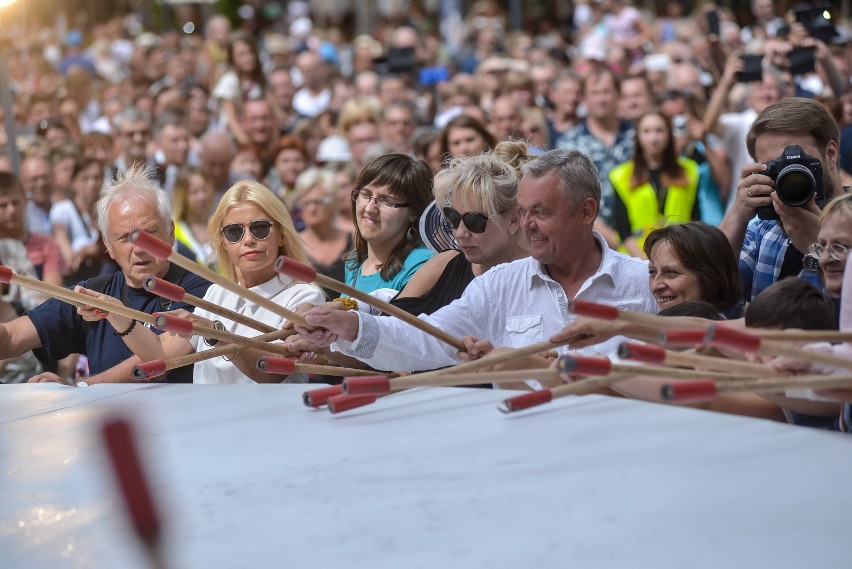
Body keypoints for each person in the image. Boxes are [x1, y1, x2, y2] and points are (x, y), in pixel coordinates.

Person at [288, 149, 656, 373]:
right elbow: (423, 338)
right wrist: (349, 326)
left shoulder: (645, 282)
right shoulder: (498, 286)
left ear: (586, 211)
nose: (527, 225)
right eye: (523, 211)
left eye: (540, 212)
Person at [78, 181, 324, 384]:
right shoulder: (216, 294)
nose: (248, 239)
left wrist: (215, 333)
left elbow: (268, 371)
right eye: (234, 232)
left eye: (260, 228)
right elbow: (160, 355)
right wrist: (116, 313)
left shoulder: (303, 296)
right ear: (224, 242)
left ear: (281, 234)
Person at [17, 166, 210, 384]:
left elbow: (156, 360)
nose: (139, 248)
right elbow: (12, 336)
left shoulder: (201, 291)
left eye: (150, 234)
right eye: (125, 238)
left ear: (171, 233)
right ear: (108, 245)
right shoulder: (95, 292)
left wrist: (78, 388)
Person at [718, 97, 846, 302]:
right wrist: (736, 216)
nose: (790, 177)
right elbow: (711, 293)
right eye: (776, 167)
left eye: (798, 164)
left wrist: (819, 247)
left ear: (830, 153)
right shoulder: (763, 231)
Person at [390, 140, 531, 316]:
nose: (460, 233)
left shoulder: (541, 277)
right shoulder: (442, 266)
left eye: (474, 221)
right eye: (454, 218)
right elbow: (385, 326)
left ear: (514, 220)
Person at [609, 111, 700, 257]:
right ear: (637, 136)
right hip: (637, 258)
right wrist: (647, 264)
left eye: (659, 130)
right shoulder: (621, 175)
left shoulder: (690, 170)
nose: (653, 137)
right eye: (646, 131)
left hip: (681, 254)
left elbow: (695, 218)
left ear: (669, 134)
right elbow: (623, 230)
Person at [345, 153, 434, 294]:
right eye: (366, 194)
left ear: (413, 213)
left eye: (386, 200)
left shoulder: (421, 263)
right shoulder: (353, 263)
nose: (369, 208)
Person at [293, 168, 351, 299]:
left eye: (318, 202)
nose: (312, 208)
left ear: (333, 203)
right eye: (305, 203)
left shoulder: (353, 242)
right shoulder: (293, 245)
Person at [50, 158, 105, 285]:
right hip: (77, 281)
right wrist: (87, 250)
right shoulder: (62, 209)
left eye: (97, 178)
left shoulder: (106, 210)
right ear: (73, 182)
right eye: (85, 179)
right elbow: (68, 259)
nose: (92, 184)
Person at [172, 167, 215, 266]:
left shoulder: (220, 223)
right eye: (194, 192)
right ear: (182, 196)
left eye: (205, 189)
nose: (202, 196)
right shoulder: (174, 230)